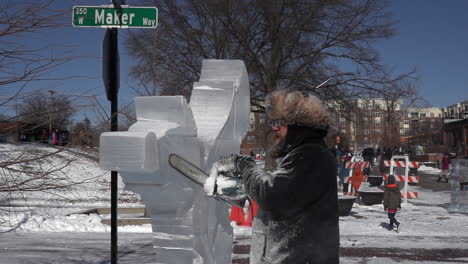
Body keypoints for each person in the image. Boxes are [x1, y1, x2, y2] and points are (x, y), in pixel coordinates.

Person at [206, 90, 339, 263]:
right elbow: (285, 195)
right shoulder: (306, 155)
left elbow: (272, 194)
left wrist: (245, 166)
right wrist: (243, 188)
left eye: (280, 123)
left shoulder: (310, 155)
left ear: (299, 126)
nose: (274, 128)